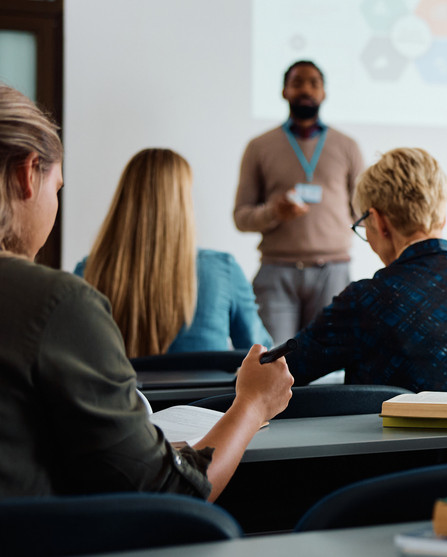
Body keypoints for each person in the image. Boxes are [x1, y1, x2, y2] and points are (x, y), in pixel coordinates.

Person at [0, 84, 292, 501]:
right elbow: (168, 490)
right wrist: (253, 404)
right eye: (58, 187)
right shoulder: (56, 303)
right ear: (28, 174)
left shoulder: (88, 271)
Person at [282, 147, 447, 390]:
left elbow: (279, 373)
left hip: (395, 448)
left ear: (378, 221)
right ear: (442, 216)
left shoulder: (365, 301)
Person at [76, 148, 272, 357]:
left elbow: (73, 355)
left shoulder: (88, 273)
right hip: (206, 391)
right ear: (183, 202)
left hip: (122, 391)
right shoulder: (223, 270)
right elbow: (262, 354)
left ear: (123, 201)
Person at [234, 60, 364, 345]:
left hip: (333, 271)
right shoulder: (260, 146)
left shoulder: (347, 146)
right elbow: (241, 217)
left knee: (330, 367)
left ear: (324, 93)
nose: (305, 89)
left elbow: (364, 212)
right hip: (277, 272)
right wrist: (273, 212)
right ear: (284, 91)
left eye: (313, 83)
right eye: (297, 82)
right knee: (273, 363)